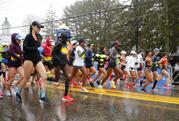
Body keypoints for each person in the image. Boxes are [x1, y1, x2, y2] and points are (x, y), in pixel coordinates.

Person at [15, 21, 48, 103]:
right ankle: (18, 92)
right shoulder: (28, 37)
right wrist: (36, 49)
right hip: (29, 58)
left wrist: (41, 52)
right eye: (38, 27)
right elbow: (25, 48)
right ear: (33, 26)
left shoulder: (39, 36)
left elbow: (39, 46)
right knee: (26, 78)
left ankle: (42, 96)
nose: (39, 29)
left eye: (40, 27)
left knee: (44, 77)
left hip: (37, 58)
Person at [52, 31, 74, 102]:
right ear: (63, 38)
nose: (67, 39)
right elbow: (53, 53)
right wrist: (59, 60)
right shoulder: (59, 43)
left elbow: (64, 53)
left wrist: (66, 60)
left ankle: (65, 96)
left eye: (68, 38)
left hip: (63, 62)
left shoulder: (65, 43)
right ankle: (44, 78)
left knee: (68, 77)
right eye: (66, 38)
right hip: (58, 62)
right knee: (56, 79)